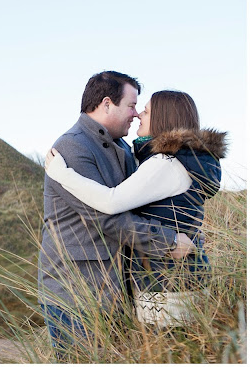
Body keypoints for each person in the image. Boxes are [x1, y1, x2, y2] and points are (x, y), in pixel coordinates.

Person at [37, 72, 196, 355]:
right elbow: (105, 218)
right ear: (107, 104)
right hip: (75, 293)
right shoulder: (72, 148)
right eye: (131, 105)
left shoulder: (122, 147)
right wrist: (169, 242)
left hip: (116, 290)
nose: (136, 114)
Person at [45, 90, 226, 327]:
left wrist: (62, 174)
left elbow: (110, 202)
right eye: (135, 106)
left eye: (146, 110)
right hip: (180, 273)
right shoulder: (186, 160)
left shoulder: (166, 163)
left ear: (163, 118)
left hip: (166, 278)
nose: (139, 114)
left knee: (166, 352)